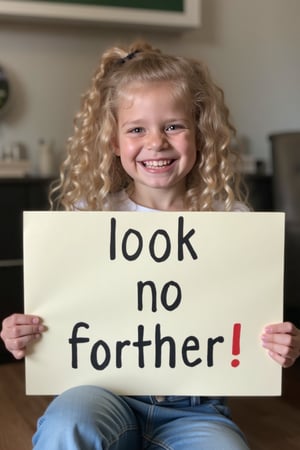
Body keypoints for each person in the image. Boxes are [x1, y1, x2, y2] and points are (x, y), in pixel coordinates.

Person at [1, 40, 300, 450]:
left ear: (200, 133)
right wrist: (24, 333)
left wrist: (280, 343)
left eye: (173, 126)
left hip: (194, 408)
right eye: (137, 129)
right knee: (68, 423)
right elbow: (60, 314)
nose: (156, 142)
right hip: (102, 393)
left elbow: (251, 322)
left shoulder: (232, 221)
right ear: (113, 142)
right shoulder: (89, 219)